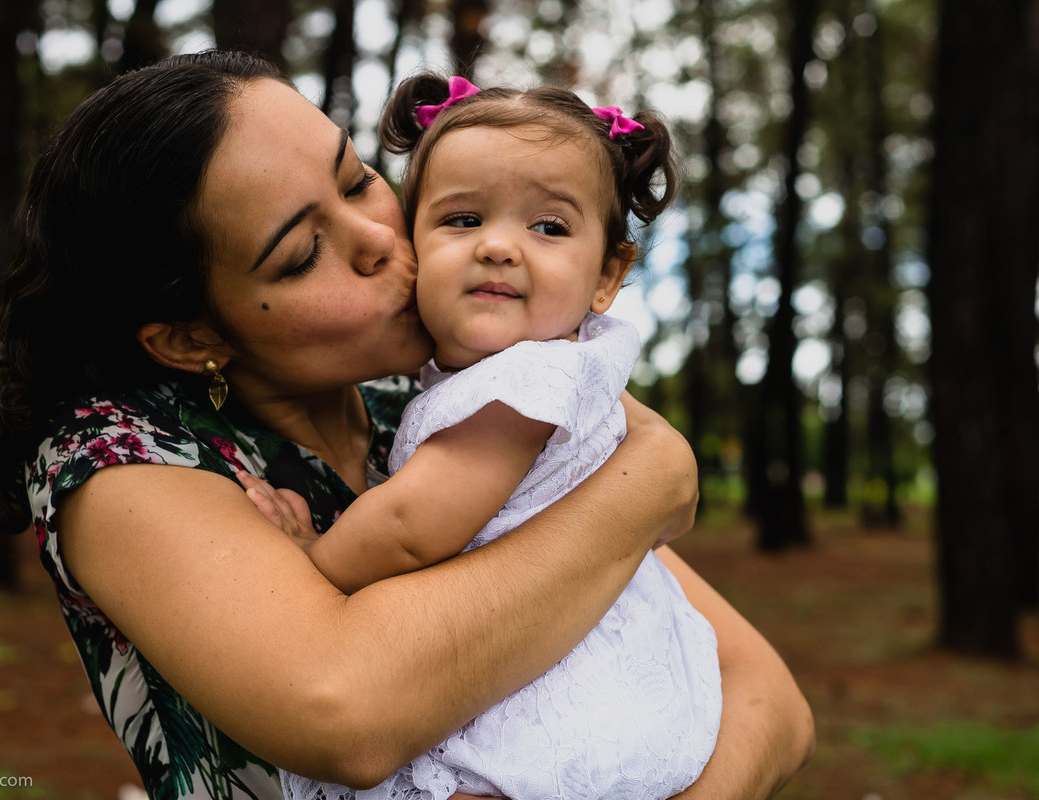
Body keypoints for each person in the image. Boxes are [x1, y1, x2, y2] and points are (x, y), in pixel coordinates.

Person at [0, 50, 813, 800]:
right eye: (302, 252)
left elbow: (769, 699)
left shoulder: (436, 399)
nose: (378, 235)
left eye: (357, 176)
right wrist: (650, 483)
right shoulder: (125, 461)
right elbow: (346, 712)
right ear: (192, 336)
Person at [273, 73, 720, 800]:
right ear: (411, 244)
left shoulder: (523, 387)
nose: (500, 248)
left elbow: (414, 528)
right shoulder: (505, 379)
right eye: (462, 220)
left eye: (548, 228)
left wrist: (308, 564)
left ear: (607, 276)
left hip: (551, 683)